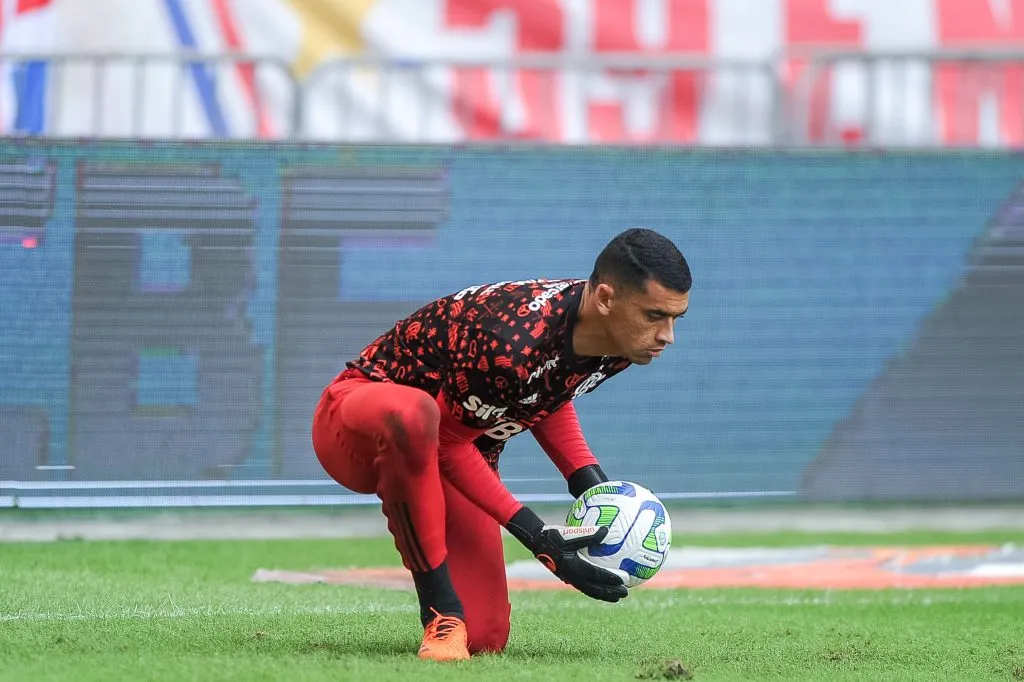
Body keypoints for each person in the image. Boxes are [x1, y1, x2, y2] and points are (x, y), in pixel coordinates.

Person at [311, 227, 691, 661]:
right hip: (356, 424)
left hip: (451, 448)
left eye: (675, 319)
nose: (667, 336)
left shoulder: (618, 337)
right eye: (655, 316)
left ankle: (462, 623)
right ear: (605, 298)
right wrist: (536, 535)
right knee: (416, 417)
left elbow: (549, 390)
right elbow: (447, 444)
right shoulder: (511, 341)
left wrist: (589, 483)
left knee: (486, 636)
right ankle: (441, 615)